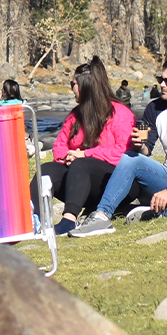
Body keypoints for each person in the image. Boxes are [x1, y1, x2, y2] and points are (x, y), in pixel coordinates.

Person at [70, 57, 167, 236]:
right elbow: (146, 151)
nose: (162, 85)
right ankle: (101, 215)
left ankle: (159, 214)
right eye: (161, 80)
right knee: (130, 158)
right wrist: (140, 144)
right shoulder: (155, 109)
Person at [41, 58, 135, 232]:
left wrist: (84, 154)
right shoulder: (75, 115)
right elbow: (59, 146)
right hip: (80, 181)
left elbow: (123, 152)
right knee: (47, 169)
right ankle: (34, 219)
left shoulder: (120, 113)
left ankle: (69, 219)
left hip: (116, 182)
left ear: (85, 85)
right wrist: (67, 157)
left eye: (73, 84)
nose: (71, 89)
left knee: (81, 164)